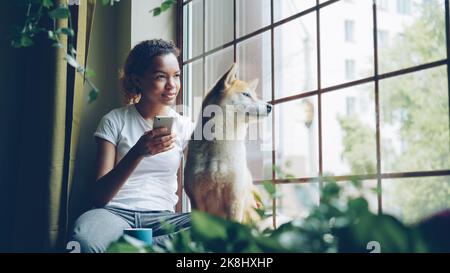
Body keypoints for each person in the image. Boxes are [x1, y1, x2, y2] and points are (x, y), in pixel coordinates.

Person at [70, 39, 194, 253]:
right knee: (83, 242)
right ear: (138, 80)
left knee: (223, 228)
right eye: (160, 77)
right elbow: (99, 196)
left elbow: (200, 181)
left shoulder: (185, 127)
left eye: (176, 76)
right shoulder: (115, 120)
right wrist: (137, 152)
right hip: (113, 214)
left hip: (162, 217)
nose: (172, 85)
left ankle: (136, 248)